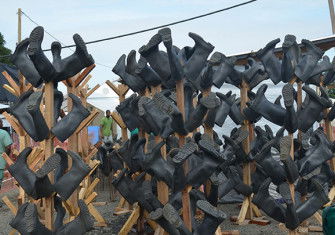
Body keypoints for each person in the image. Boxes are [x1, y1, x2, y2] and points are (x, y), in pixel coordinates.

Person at [0, 119, 12, 207]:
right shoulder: (3, 133)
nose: (3, 123)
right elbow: (8, 147)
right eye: (1, 122)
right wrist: (6, 156)